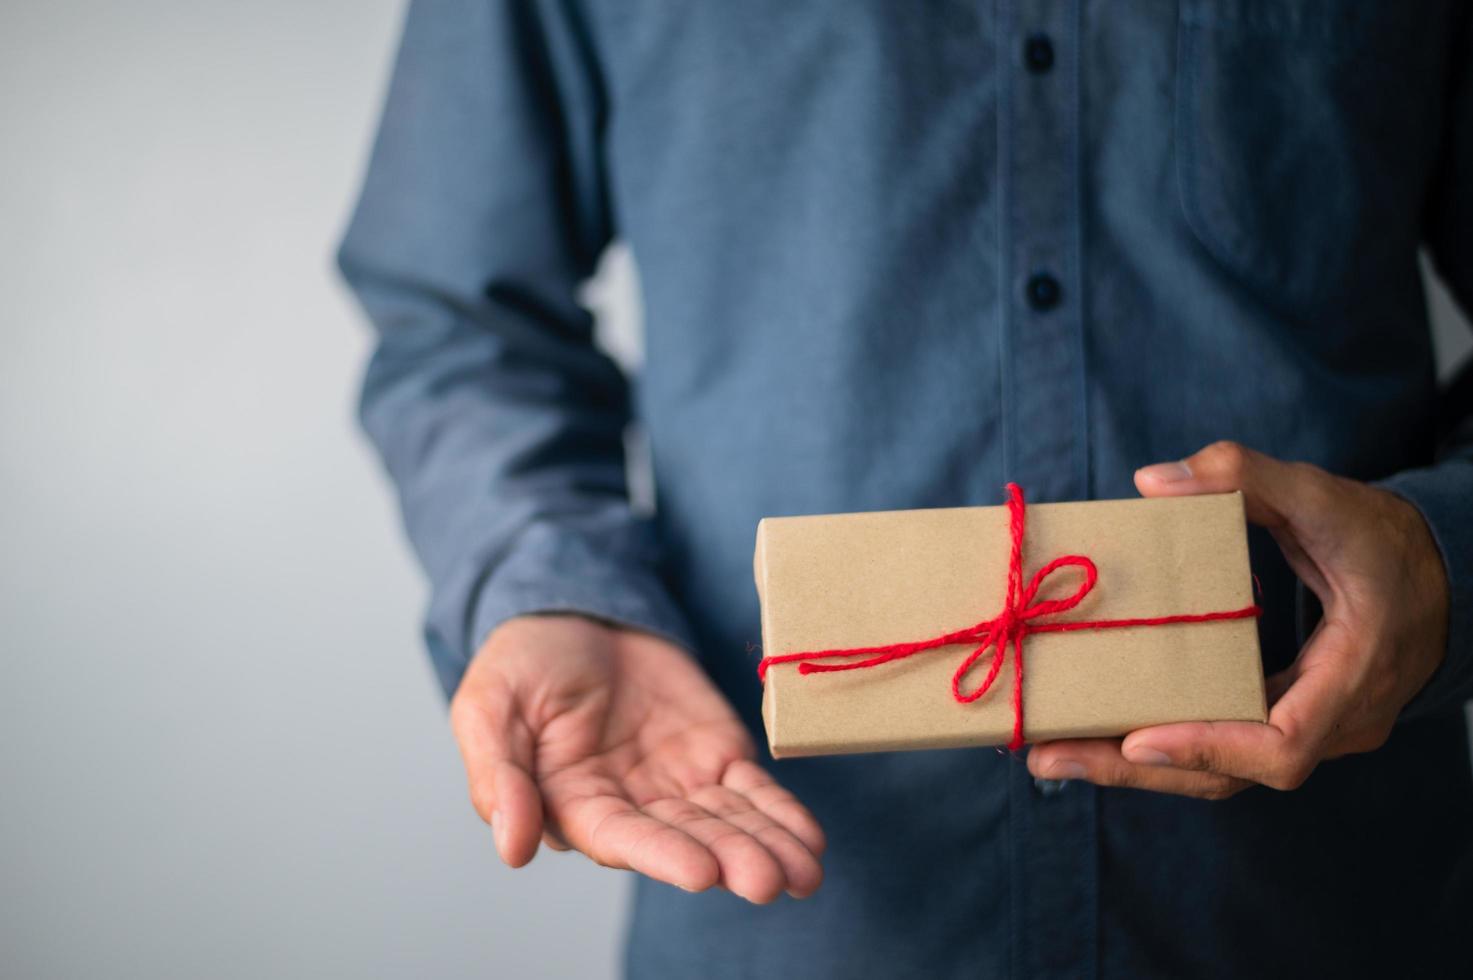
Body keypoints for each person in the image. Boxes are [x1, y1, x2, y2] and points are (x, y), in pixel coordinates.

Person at [337, 3, 1473, 976]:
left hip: (1324, 913)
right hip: (794, 899)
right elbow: (459, 325)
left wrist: (1442, 559)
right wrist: (558, 587)